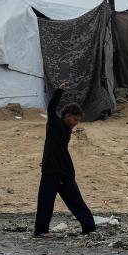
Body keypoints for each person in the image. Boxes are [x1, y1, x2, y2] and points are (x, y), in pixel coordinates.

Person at [35, 82, 97, 237]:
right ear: (67, 116)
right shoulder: (55, 124)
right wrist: (59, 90)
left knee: (76, 201)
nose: (76, 124)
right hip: (52, 171)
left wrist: (47, 158)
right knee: (45, 202)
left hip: (63, 171)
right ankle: (41, 231)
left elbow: (54, 148)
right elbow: (51, 108)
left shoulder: (67, 130)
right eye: (75, 120)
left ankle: (89, 228)